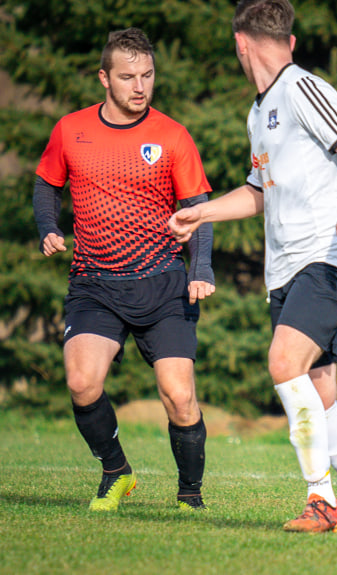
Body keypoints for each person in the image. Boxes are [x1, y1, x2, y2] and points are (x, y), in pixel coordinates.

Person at [168, 0, 337, 533]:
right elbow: (258, 193)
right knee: (319, 396)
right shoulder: (260, 111)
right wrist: (199, 212)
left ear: (239, 43)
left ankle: (321, 503)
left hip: (331, 257)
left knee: (283, 364)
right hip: (291, 268)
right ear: (288, 40)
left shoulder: (303, 88)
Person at [34, 28, 215, 511]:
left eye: (148, 75)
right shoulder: (70, 129)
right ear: (104, 78)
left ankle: (189, 494)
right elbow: (46, 184)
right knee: (80, 382)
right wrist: (47, 225)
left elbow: (198, 208)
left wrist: (203, 267)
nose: (140, 87)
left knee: (179, 396)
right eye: (128, 77)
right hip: (94, 284)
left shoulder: (172, 135)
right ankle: (115, 472)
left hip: (163, 284)